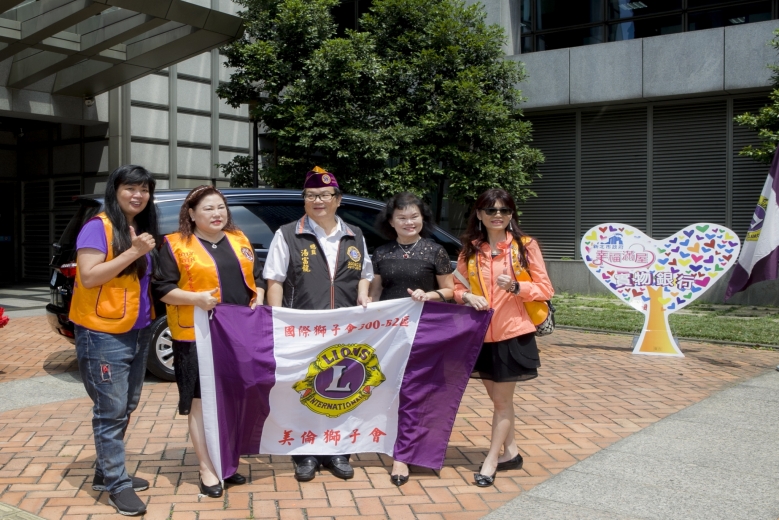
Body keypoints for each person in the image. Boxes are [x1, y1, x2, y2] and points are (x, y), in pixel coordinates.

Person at [153, 186, 266, 498]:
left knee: (232, 398)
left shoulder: (239, 239)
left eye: (221, 207)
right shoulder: (176, 245)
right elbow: (161, 288)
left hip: (237, 335)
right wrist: (195, 299)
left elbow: (256, 278)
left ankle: (225, 461)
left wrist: (259, 298)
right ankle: (206, 467)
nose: (217, 214)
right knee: (200, 402)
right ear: (191, 214)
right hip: (195, 337)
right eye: (208, 208)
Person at [264, 166, 373, 482]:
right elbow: (274, 280)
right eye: (311, 195)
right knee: (305, 389)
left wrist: (363, 294)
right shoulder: (288, 233)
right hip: (303, 329)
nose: (318, 201)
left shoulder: (354, 234)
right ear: (304, 200)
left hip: (345, 329)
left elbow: (365, 274)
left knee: (342, 390)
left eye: (325, 195)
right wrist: (277, 321)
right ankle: (305, 453)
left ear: (338, 199)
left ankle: (338, 451)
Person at [69, 165, 159, 516]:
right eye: (130, 188)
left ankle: (105, 471)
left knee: (126, 404)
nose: (138, 195)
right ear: (115, 190)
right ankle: (117, 485)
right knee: (111, 410)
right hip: (102, 332)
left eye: (144, 189)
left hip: (137, 330)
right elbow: (89, 277)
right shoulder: (98, 226)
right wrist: (133, 252)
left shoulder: (138, 227)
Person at [453, 188, 553, 488]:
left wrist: (517, 287)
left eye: (504, 210)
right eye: (491, 210)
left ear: (511, 214)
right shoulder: (470, 249)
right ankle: (511, 452)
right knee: (499, 400)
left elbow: (546, 289)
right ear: (479, 214)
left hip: (513, 332)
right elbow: (457, 287)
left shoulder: (525, 246)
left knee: (501, 402)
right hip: (481, 333)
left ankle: (491, 461)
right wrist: (468, 297)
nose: (498, 215)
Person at [368, 192, 454, 486]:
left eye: (414, 216)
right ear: (391, 222)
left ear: (423, 219)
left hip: (426, 332)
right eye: (402, 217)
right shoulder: (381, 253)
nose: (409, 222)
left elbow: (450, 291)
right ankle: (401, 455)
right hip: (391, 335)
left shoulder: (435, 251)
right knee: (395, 392)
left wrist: (428, 295)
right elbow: (376, 293)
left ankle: (418, 450)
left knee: (422, 393)